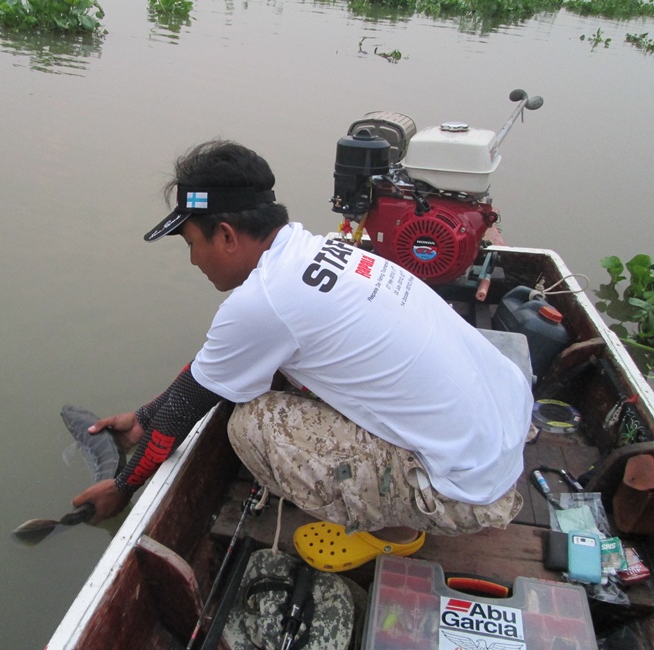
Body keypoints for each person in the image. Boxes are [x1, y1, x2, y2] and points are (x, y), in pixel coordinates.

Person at [71, 139, 533, 547]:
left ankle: (393, 530)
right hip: (503, 431)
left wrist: (123, 486)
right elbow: (207, 375)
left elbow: (195, 396)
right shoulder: (320, 249)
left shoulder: (264, 300)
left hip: (465, 491)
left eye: (192, 243)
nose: (193, 261)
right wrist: (145, 418)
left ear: (227, 236)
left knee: (251, 424)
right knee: (277, 376)